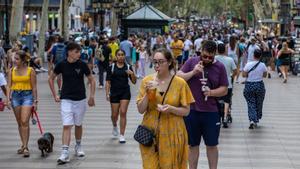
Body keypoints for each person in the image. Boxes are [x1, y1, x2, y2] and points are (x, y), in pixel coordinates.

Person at [136, 48, 194, 169]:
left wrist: (172, 109)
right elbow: (141, 110)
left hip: (172, 131)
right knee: (150, 166)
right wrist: (148, 93)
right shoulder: (147, 81)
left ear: (169, 62)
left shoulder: (180, 83)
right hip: (149, 133)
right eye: (155, 62)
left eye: (161, 61)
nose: (157, 65)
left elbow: (186, 111)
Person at [177, 40, 228, 169]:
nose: (207, 59)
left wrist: (210, 92)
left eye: (211, 57)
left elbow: (224, 89)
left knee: (211, 144)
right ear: (201, 51)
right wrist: (193, 72)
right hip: (192, 110)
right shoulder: (192, 61)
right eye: (204, 56)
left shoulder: (220, 67)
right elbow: (179, 77)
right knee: (192, 145)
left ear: (215, 54)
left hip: (211, 112)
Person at [48, 42, 96, 164]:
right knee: (67, 125)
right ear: (69, 52)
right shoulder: (61, 65)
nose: (79, 54)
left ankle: (78, 145)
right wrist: (55, 95)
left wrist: (92, 96)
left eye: (79, 52)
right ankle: (64, 152)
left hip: (80, 99)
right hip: (66, 99)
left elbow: (92, 80)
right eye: (76, 51)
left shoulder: (82, 65)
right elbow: (51, 78)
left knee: (78, 124)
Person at [6, 50, 38, 157]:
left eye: (17, 59)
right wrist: (7, 99)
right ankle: (23, 144)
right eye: (14, 58)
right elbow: (9, 86)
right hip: (15, 96)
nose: (14, 61)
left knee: (25, 121)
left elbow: (34, 87)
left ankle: (25, 147)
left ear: (23, 60)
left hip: (27, 96)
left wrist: (35, 101)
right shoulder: (11, 71)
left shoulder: (31, 71)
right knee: (20, 122)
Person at [105, 49, 136, 144]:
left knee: (123, 112)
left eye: (122, 55)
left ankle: (122, 135)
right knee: (114, 115)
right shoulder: (112, 67)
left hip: (125, 92)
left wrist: (132, 74)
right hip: (114, 93)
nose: (121, 56)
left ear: (124, 56)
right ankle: (114, 125)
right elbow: (108, 82)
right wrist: (107, 93)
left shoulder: (128, 67)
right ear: (116, 56)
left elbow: (134, 82)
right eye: (119, 55)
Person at [242, 49, 267, 129]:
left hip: (249, 85)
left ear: (253, 55)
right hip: (259, 85)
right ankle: (256, 118)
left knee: (250, 103)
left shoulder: (248, 64)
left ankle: (252, 120)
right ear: (260, 56)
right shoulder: (262, 65)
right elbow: (265, 75)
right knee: (259, 103)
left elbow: (243, 75)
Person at [215, 43, 237, 128]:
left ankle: (217, 117)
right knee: (227, 101)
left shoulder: (214, 59)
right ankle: (225, 117)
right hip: (227, 83)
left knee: (216, 100)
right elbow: (235, 71)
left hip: (216, 84)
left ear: (217, 50)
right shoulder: (230, 59)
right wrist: (231, 76)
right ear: (225, 50)